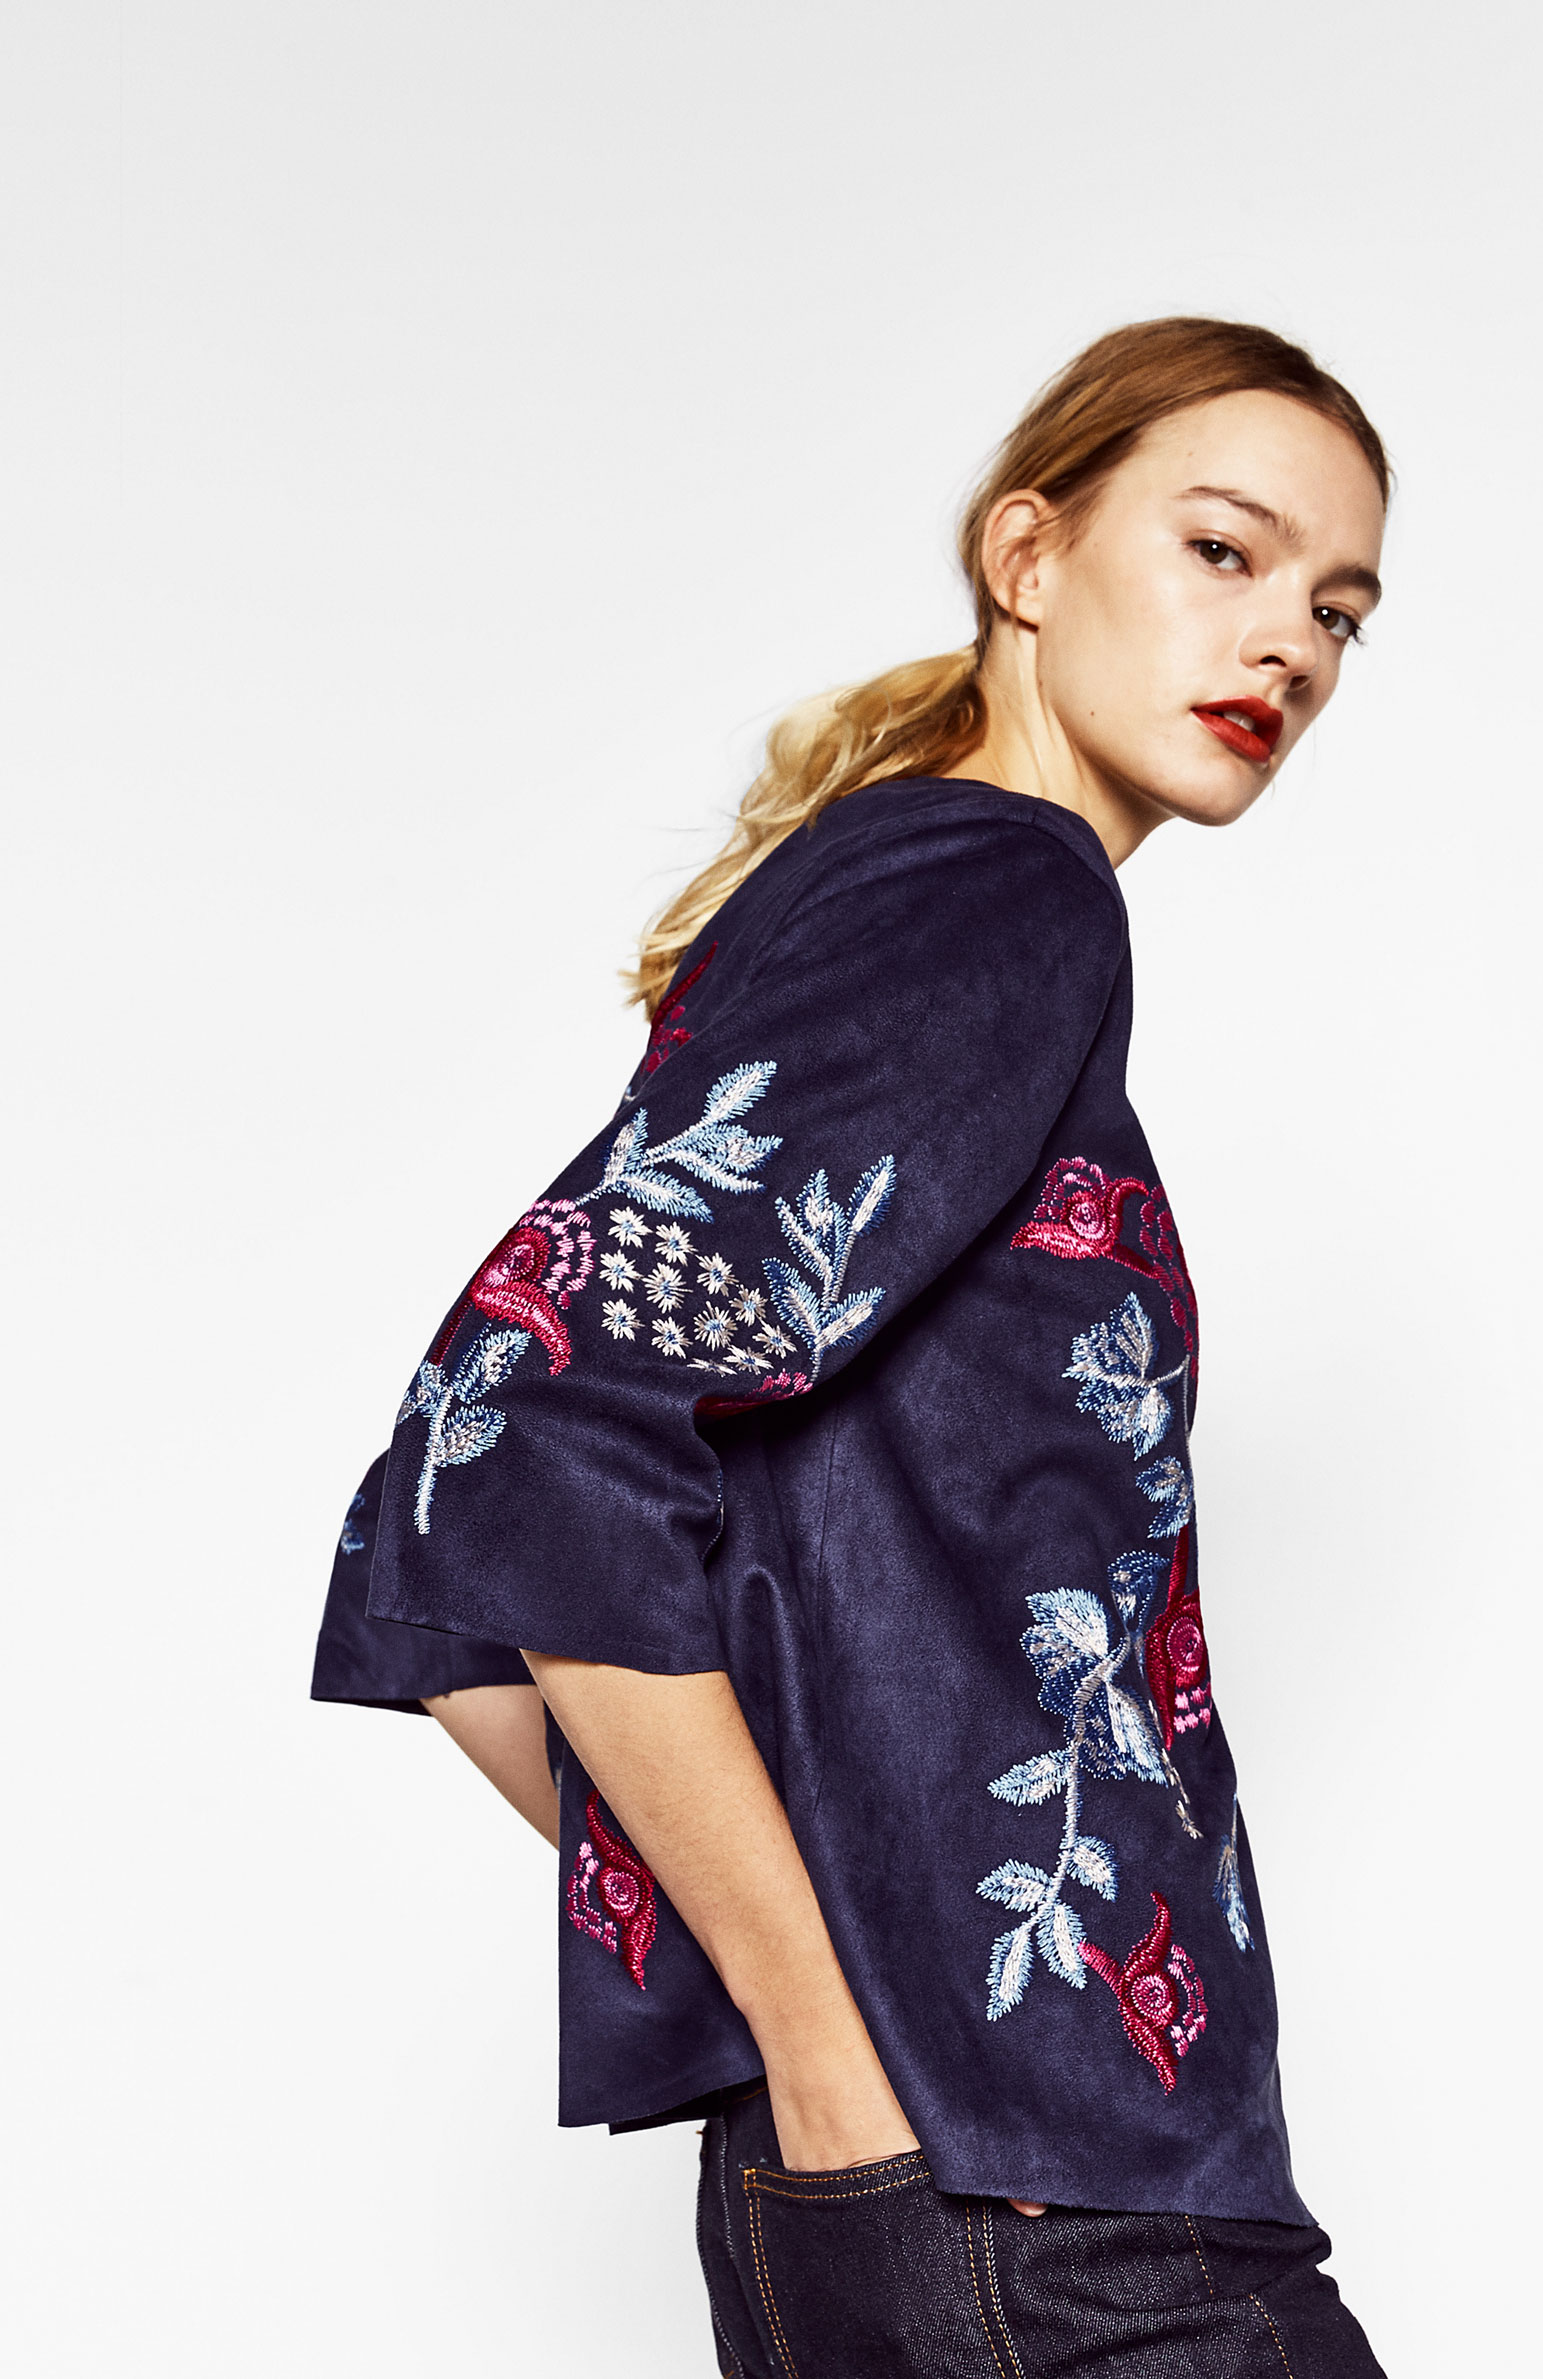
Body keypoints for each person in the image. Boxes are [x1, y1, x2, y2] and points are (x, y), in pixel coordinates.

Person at [314, 314, 1392, 2376]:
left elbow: (459, 1513)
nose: (1291, 644)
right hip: (1052, 2210)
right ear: (1029, 552)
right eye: (1225, 550)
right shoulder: (1006, 890)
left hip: (925, 2200)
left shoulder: (875, 892)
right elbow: (522, 1450)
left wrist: (829, 2044)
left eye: (1340, 609)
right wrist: (832, 2044)